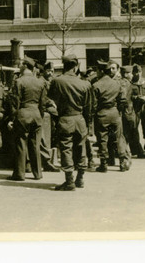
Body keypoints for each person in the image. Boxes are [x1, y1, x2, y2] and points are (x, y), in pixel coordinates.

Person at [48, 54, 92, 191]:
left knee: (66, 149)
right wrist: (87, 123)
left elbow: (50, 101)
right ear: (76, 66)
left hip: (65, 119)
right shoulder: (85, 84)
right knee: (81, 148)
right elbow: (89, 107)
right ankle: (80, 178)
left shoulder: (57, 81)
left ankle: (69, 181)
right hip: (80, 119)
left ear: (64, 66)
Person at [7, 56, 46, 181]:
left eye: (21, 64)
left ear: (24, 66)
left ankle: (19, 173)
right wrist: (40, 115)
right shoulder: (40, 82)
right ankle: (38, 173)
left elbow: (15, 102)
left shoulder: (19, 81)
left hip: (23, 114)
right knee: (35, 144)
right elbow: (43, 102)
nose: (19, 66)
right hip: (36, 114)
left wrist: (12, 118)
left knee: (21, 144)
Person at [92, 61, 131, 172]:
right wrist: (118, 111)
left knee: (102, 139)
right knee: (119, 138)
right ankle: (123, 162)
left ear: (100, 71)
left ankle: (103, 164)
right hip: (115, 113)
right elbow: (122, 100)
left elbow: (93, 104)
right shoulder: (117, 84)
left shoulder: (96, 85)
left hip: (101, 113)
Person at [119, 66, 145, 159]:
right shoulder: (127, 83)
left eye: (139, 71)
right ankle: (134, 152)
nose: (136, 74)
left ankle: (144, 145)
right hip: (132, 109)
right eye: (133, 72)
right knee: (133, 130)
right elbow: (125, 98)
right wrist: (135, 98)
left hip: (143, 107)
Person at [38, 62, 60, 172]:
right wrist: (51, 102)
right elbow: (43, 97)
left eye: (52, 71)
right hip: (46, 108)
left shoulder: (51, 81)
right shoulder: (41, 81)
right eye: (48, 71)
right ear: (44, 71)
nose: (50, 73)